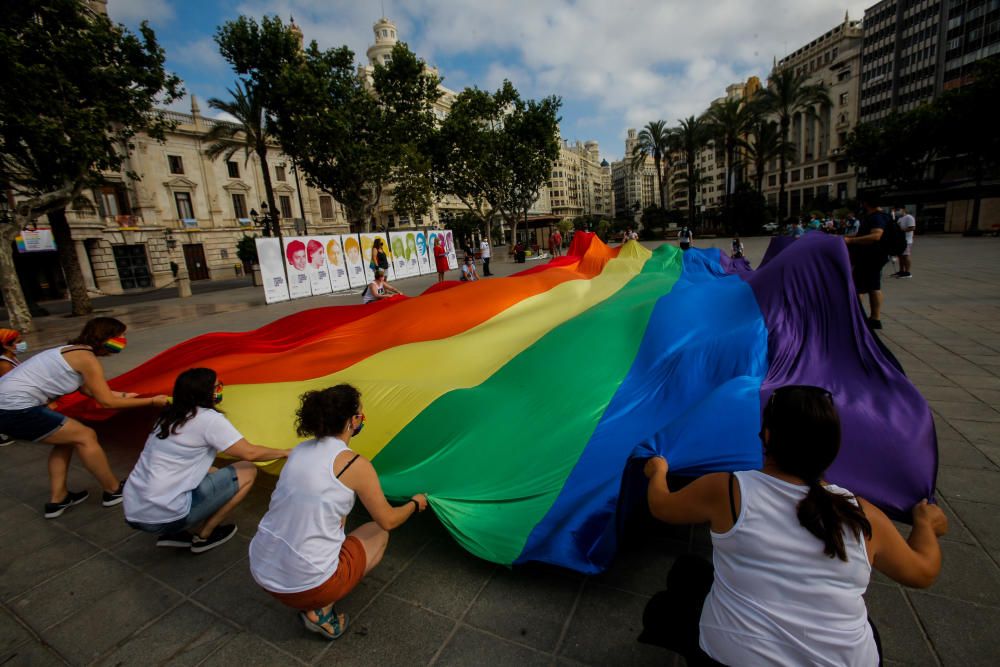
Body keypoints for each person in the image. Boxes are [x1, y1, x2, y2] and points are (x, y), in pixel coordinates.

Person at [640, 385, 947, 666]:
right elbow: (923, 571)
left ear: (768, 436)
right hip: (844, 659)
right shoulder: (860, 514)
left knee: (677, 591)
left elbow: (661, 505)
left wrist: (658, 471)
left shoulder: (728, 490)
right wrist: (924, 525)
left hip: (731, 660)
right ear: (833, 446)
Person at [249, 385, 428, 640]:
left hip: (261, 566)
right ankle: (321, 611)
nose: (362, 418)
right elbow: (388, 520)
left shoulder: (300, 450)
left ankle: (319, 583)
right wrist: (413, 503)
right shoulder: (355, 465)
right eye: (360, 415)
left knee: (337, 514)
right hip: (303, 585)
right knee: (378, 532)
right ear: (351, 422)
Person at [0, 318, 170, 518]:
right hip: (15, 409)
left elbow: (90, 390)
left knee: (66, 440)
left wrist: (126, 395)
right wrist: (150, 402)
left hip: (9, 408)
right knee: (85, 436)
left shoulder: (73, 351)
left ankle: (58, 499)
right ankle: (113, 490)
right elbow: (106, 402)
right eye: (120, 336)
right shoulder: (87, 359)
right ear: (106, 338)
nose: (123, 340)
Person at [123, 368, 289, 552]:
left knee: (215, 472)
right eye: (217, 386)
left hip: (133, 508)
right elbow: (250, 454)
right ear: (204, 392)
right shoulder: (208, 420)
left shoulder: (167, 416)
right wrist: (285, 452)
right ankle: (204, 536)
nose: (220, 389)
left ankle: (176, 533)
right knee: (247, 470)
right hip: (165, 515)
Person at [846, 196, 891, 329]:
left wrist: (850, 241)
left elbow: (876, 235)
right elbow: (863, 234)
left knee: (859, 287)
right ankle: (874, 318)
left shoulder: (876, 217)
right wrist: (845, 237)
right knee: (873, 286)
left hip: (870, 256)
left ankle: (859, 318)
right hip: (875, 256)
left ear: (865, 203)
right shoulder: (882, 216)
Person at [0, 328, 27, 446]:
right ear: (6, 345)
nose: (22, 344)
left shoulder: (11, 357)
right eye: (18, 341)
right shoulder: (4, 364)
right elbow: (12, 389)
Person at [893, 206, 916, 279]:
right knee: (900, 256)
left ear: (903, 210)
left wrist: (901, 231)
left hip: (907, 240)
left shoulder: (909, 217)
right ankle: (901, 271)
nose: (897, 212)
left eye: (898, 210)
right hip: (900, 240)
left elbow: (912, 227)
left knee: (906, 256)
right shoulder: (899, 219)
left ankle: (907, 272)